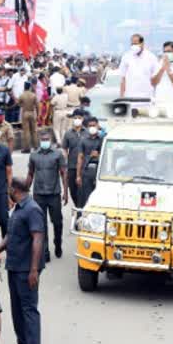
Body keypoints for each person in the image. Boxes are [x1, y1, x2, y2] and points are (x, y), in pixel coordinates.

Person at [0, 177, 45, 344]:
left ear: (15, 189)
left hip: (27, 270)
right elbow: (11, 234)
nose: (8, 191)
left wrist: (34, 270)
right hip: (15, 266)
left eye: (9, 188)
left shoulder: (32, 209)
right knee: (17, 309)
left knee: (28, 311)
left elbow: (37, 240)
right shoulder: (18, 208)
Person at [26, 130, 68, 260]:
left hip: (54, 194)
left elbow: (63, 173)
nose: (45, 141)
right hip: (39, 194)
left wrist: (66, 192)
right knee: (41, 224)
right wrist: (25, 190)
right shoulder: (34, 155)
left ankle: (58, 243)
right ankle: (45, 252)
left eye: (47, 139)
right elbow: (30, 173)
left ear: (51, 141)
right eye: (43, 139)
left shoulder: (57, 154)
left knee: (57, 222)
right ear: (40, 141)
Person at [119, 33, 158, 99]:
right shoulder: (126, 57)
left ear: (142, 44)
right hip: (130, 97)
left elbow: (156, 79)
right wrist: (121, 97)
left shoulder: (151, 57)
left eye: (136, 44)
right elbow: (123, 79)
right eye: (132, 44)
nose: (134, 46)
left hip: (147, 98)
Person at [76, 117, 103, 208]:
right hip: (86, 172)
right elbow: (80, 158)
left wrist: (98, 155)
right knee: (85, 197)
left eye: (94, 125)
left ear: (98, 126)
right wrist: (78, 175)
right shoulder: (83, 140)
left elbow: (108, 157)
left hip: (99, 173)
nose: (92, 127)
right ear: (87, 127)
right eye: (90, 126)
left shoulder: (102, 139)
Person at [62, 110, 86, 207]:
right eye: (75, 118)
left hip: (85, 167)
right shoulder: (68, 133)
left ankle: (82, 209)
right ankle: (78, 207)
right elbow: (64, 148)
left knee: (83, 190)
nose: (77, 120)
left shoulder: (87, 133)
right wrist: (65, 160)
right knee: (73, 190)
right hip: (72, 166)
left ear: (83, 119)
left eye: (79, 118)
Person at [18, 82, 38, 153]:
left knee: (26, 132)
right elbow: (37, 105)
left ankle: (27, 148)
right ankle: (36, 146)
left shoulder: (22, 95)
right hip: (32, 112)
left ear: (24, 87)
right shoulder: (33, 95)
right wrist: (38, 115)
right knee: (34, 130)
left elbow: (18, 103)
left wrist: (23, 106)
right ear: (30, 87)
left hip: (25, 112)